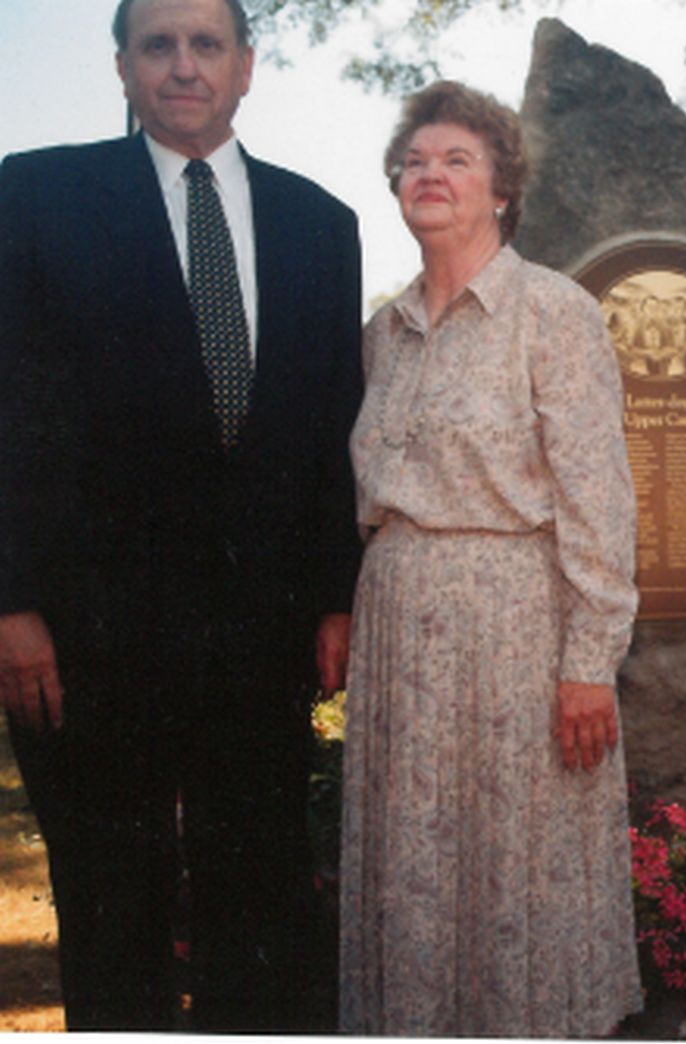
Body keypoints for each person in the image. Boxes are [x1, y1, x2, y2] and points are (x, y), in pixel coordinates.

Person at [0, 0, 363, 1030]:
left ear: (247, 67)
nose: (184, 67)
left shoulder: (320, 224)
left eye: (208, 45)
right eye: (158, 45)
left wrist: (335, 597)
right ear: (122, 67)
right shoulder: (31, 196)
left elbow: (333, 424)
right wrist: (8, 598)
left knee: (263, 904)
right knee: (113, 905)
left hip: (260, 635)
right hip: (84, 637)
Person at [338, 80, 642, 1037]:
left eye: (457, 159)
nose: (431, 174)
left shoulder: (552, 312)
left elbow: (599, 500)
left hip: (514, 632)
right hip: (398, 629)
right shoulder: (380, 335)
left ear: (502, 190)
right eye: (416, 160)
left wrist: (589, 663)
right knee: (413, 872)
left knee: (522, 869)